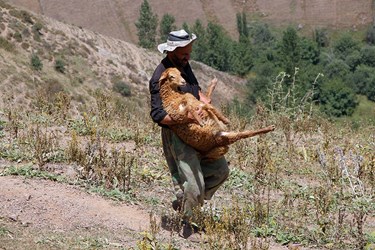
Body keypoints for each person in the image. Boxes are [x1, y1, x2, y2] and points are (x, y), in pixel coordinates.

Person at [149, 29, 229, 240]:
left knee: (220, 171)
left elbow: (194, 89)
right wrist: (187, 119)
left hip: (198, 130)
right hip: (178, 135)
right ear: (172, 51)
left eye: (189, 52)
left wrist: (203, 99)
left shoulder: (183, 65)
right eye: (184, 53)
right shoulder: (161, 77)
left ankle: (184, 203)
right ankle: (189, 226)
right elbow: (158, 115)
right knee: (193, 183)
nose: (188, 56)